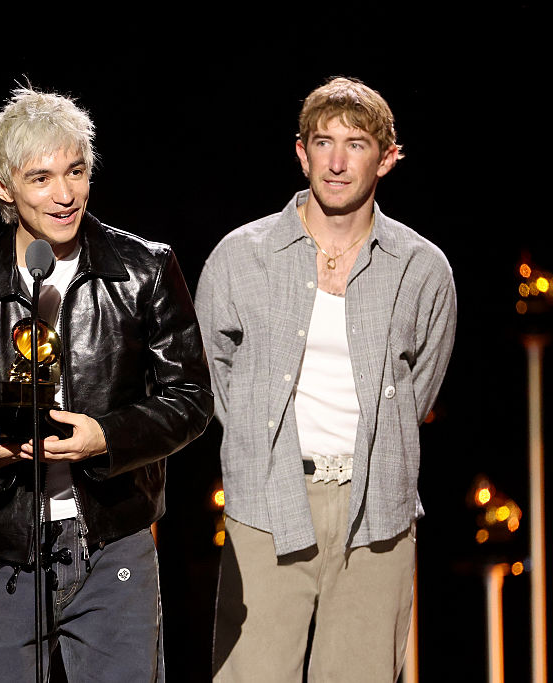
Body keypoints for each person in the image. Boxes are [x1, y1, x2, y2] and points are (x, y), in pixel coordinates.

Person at [0, 87, 213, 681]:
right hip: (1, 555)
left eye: (76, 171)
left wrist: (107, 437)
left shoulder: (144, 270)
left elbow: (191, 400)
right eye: (41, 178)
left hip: (115, 547)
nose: (65, 196)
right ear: (2, 186)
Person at [194, 76, 456, 682]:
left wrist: (379, 452)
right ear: (300, 151)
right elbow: (211, 375)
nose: (337, 163)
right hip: (267, 500)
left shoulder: (421, 268)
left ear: (388, 158)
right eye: (323, 142)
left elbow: (421, 390)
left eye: (357, 144)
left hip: (379, 509)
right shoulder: (243, 255)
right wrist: (260, 447)